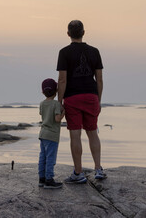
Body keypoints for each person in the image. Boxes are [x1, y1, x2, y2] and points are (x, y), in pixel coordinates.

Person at [57, 20, 106, 184]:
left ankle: (78, 172)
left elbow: (62, 80)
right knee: (93, 132)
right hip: (91, 96)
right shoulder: (94, 51)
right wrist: (98, 100)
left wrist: (59, 101)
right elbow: (99, 79)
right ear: (83, 32)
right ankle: (98, 169)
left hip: (72, 97)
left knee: (75, 135)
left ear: (68, 34)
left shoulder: (64, 52)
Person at [38, 78, 65, 189]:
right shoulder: (56, 104)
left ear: (43, 92)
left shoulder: (42, 103)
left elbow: (41, 113)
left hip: (43, 134)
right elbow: (57, 119)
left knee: (42, 157)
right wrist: (64, 111)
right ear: (56, 91)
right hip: (52, 135)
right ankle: (49, 179)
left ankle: (41, 178)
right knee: (50, 158)